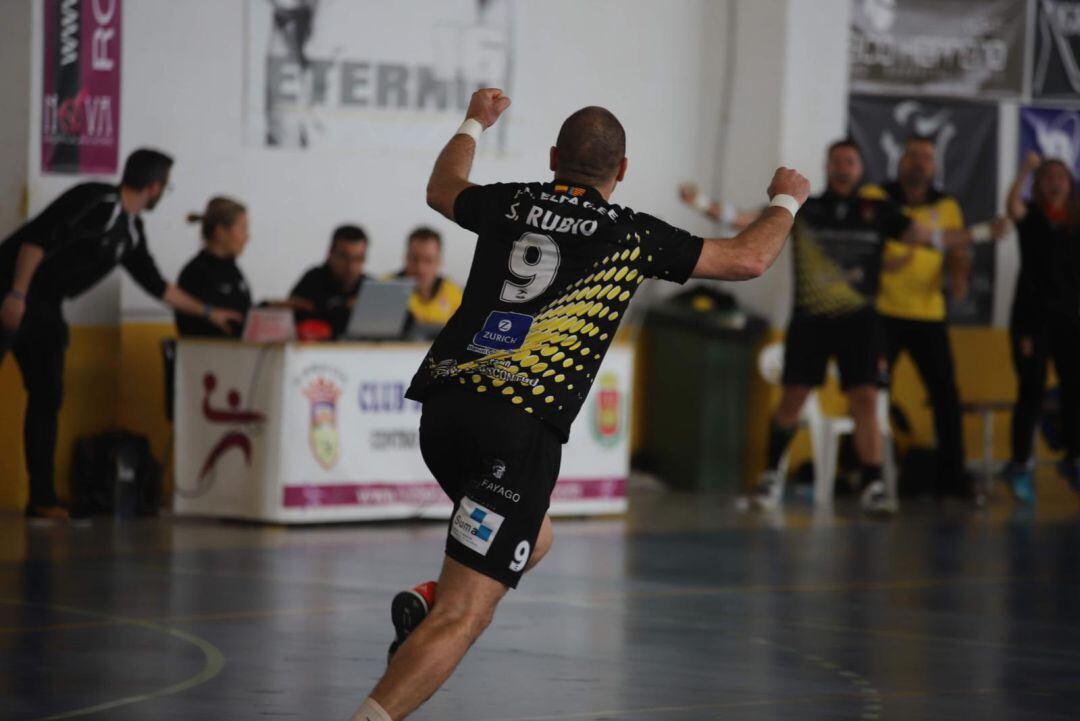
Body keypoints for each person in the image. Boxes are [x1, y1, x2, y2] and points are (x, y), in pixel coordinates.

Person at [347, 88, 811, 721]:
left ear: (553, 157)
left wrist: (475, 123)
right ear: (622, 172)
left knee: (533, 539)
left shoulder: (510, 202)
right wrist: (785, 198)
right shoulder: (631, 234)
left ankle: (428, 604)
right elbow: (749, 257)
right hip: (515, 428)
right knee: (467, 614)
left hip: (446, 408)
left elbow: (442, 186)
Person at [0, 149, 241, 519]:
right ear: (154, 186)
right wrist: (17, 293)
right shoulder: (96, 200)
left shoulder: (130, 231)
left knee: (48, 396)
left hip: (46, 305)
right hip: (10, 288)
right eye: (166, 187)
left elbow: (158, 286)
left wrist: (210, 312)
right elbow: (36, 240)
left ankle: (42, 496)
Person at [876, 135, 1008, 500]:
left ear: (935, 167)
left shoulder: (946, 205)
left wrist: (961, 272)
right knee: (870, 393)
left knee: (946, 394)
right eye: (913, 155)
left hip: (928, 315)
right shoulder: (879, 198)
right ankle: (870, 475)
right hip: (883, 313)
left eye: (927, 158)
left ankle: (954, 477)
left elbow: (957, 247)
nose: (919, 162)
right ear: (901, 161)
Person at [1002, 152, 1080, 502]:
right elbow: (1011, 205)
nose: (1054, 181)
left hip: (1071, 320)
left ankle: (1074, 458)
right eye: (1047, 176)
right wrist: (1025, 170)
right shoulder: (1030, 216)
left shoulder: (1076, 219)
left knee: (1075, 390)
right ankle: (1020, 464)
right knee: (1031, 391)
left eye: (1060, 176)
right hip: (1031, 322)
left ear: (1070, 183)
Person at [175, 197, 252, 338]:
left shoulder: (233, 271)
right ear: (221, 232)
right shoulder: (195, 273)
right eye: (242, 228)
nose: (247, 237)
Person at [288, 224, 369, 338]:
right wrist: (343, 307)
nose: (351, 266)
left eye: (358, 259)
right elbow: (297, 319)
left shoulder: (369, 287)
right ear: (330, 253)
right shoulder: (313, 280)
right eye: (344, 257)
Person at [393, 226, 463, 332]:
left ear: (439, 261)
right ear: (406, 258)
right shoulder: (386, 288)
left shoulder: (453, 293)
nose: (420, 268)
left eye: (428, 260)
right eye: (414, 259)